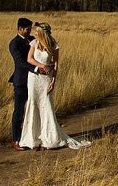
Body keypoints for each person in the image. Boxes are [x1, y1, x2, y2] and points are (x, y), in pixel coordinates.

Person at [19, 22, 91, 150]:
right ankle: (32, 138)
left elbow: (56, 65)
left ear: (43, 33)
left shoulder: (54, 45)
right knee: (33, 103)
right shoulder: (34, 43)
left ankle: (49, 138)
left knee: (46, 104)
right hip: (34, 79)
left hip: (46, 79)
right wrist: (42, 66)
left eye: (37, 32)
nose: (35, 33)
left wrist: (53, 81)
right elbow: (29, 59)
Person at [9, 17, 52, 151]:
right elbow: (20, 62)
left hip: (36, 81)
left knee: (36, 108)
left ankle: (35, 136)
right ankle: (16, 139)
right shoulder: (14, 43)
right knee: (19, 110)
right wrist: (36, 68)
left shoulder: (33, 39)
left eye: (30, 29)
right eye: (27, 29)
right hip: (21, 81)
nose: (29, 31)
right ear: (19, 29)